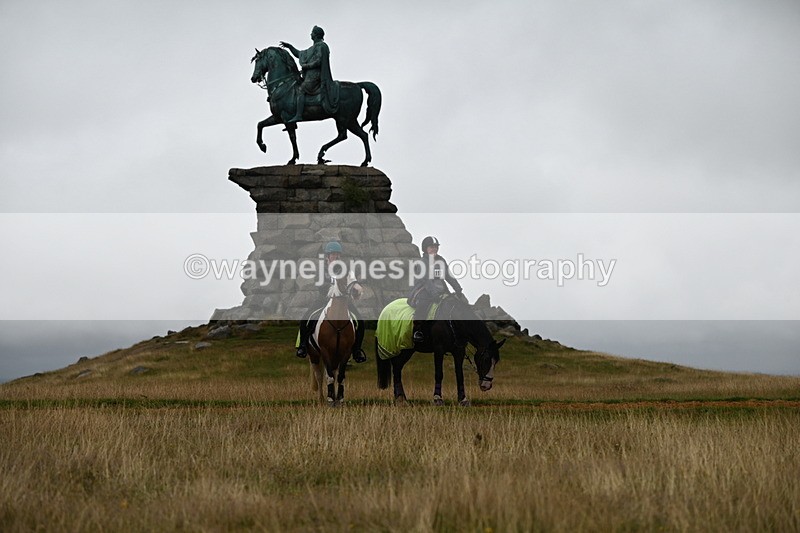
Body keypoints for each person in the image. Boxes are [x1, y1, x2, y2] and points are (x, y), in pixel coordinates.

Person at [296, 241, 367, 363]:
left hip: (343, 300)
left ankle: (357, 350)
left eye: (338, 254)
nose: (336, 256)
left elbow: (352, 282)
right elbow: (320, 285)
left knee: (360, 322)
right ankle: (303, 346)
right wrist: (334, 291)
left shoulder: (346, 269)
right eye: (333, 254)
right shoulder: (322, 269)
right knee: (305, 319)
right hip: (324, 299)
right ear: (327, 256)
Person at [407, 236, 466, 343]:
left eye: (436, 247)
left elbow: (448, 276)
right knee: (423, 304)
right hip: (423, 290)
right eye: (431, 247)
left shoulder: (441, 260)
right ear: (425, 249)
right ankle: (417, 331)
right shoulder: (422, 262)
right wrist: (434, 294)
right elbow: (426, 281)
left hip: (440, 289)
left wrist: (458, 289)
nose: (434, 249)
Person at [279, 25, 340, 122]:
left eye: (312, 32)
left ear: (315, 35)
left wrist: (307, 66)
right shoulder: (313, 48)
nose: (310, 34)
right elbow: (299, 54)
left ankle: (299, 115)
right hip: (309, 76)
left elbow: (319, 61)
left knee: (301, 89)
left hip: (316, 76)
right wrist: (289, 47)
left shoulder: (322, 46)